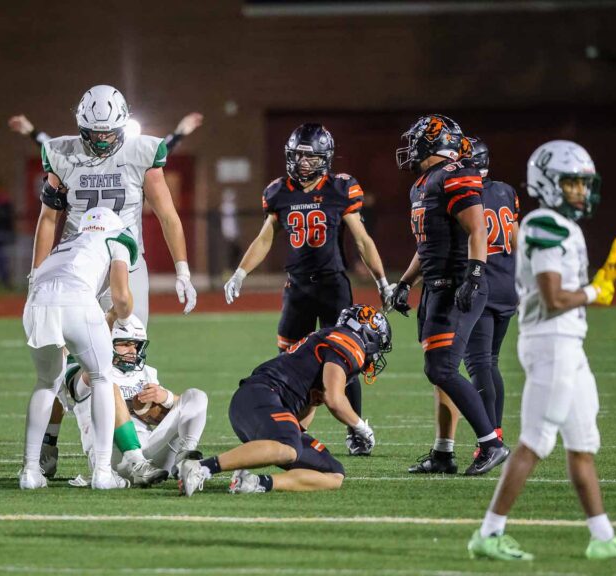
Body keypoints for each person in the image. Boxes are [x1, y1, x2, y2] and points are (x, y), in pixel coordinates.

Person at [467, 140, 616, 561]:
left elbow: (568, 290)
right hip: (551, 345)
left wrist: (601, 279)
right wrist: (594, 290)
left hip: (570, 344)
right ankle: (489, 533)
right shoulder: (543, 224)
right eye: (571, 184)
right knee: (534, 441)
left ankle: (602, 537)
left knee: (583, 441)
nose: (581, 192)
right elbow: (553, 297)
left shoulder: (563, 227)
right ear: (548, 184)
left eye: (583, 184)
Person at [223, 123, 392, 456]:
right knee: (289, 358)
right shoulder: (278, 191)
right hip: (297, 288)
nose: (302, 162)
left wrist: (381, 280)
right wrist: (241, 272)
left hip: (333, 286)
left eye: (309, 156)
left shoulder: (340, 189)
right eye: (298, 155)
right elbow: (265, 238)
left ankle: (354, 429)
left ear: (324, 158)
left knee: (347, 358)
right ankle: (286, 424)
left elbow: (361, 239)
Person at [390, 114, 508, 476]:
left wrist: (473, 276)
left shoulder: (454, 174)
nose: (410, 149)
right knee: (439, 371)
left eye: (415, 141)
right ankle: (443, 453)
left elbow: (476, 229)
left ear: (432, 142)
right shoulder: (423, 184)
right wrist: (406, 282)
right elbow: (427, 246)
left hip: (456, 285)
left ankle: (492, 443)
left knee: (441, 367)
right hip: (435, 286)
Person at [178, 305, 388, 496]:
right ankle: (201, 468)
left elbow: (311, 405)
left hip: (260, 403)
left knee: (333, 473)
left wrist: (296, 432)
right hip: (262, 395)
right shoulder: (349, 342)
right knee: (289, 447)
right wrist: (361, 427)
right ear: (367, 334)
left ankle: (255, 483)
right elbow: (335, 399)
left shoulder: (329, 339)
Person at [31, 84, 196, 324]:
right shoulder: (62, 155)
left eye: (108, 132)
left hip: (126, 258)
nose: (102, 139)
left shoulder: (140, 152)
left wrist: (183, 271)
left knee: (130, 348)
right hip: (77, 261)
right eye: (96, 133)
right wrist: (37, 273)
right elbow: (48, 218)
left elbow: (168, 216)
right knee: (76, 349)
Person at [20, 207, 135, 491]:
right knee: (101, 378)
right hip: (76, 299)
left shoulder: (66, 244)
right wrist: (119, 313)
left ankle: (30, 471)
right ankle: (103, 472)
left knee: (47, 382)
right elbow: (121, 298)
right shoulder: (116, 236)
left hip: (35, 303)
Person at [61, 314, 207, 486]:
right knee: (108, 388)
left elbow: (179, 414)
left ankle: (186, 460)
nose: (133, 351)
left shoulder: (147, 373)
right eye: (125, 344)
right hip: (114, 459)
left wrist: (165, 398)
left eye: (136, 345)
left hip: (151, 453)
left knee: (196, 396)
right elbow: (80, 358)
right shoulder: (90, 373)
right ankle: (136, 462)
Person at [462, 137, 519, 455]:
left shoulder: (462, 194)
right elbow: (514, 236)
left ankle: (490, 440)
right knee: (490, 362)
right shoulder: (506, 191)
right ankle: (495, 431)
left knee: (478, 363)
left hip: (480, 283)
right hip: (507, 284)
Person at [9, 111, 204, 155]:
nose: (103, 137)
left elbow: (161, 149)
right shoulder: (85, 152)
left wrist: (179, 133)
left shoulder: (130, 154)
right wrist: (32, 132)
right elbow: (54, 148)